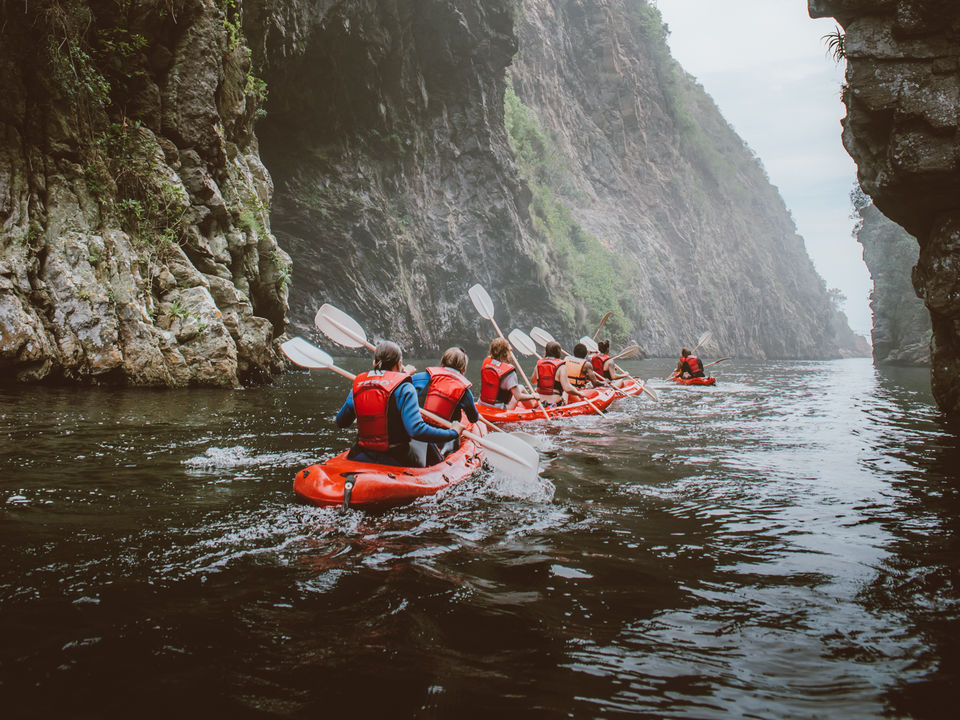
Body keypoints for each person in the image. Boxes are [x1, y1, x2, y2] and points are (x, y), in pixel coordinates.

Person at [336, 341, 462, 467]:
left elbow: (342, 422)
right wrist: (453, 433)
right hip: (396, 458)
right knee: (423, 440)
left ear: (374, 363)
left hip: (360, 455)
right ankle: (440, 466)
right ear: (399, 364)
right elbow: (416, 430)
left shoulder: (358, 386)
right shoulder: (405, 388)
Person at [411, 347, 479, 459]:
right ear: (463, 368)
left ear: (443, 361)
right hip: (444, 438)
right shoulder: (465, 391)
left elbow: (404, 387)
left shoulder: (421, 377)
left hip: (417, 431)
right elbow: (473, 419)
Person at [478, 337, 536, 410]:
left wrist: (504, 348)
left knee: (519, 387)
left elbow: (494, 357)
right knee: (520, 387)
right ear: (506, 353)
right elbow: (518, 397)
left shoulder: (486, 362)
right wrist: (533, 396)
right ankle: (533, 409)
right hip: (500, 408)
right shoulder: (509, 371)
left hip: (482, 403)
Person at [531, 341, 587, 405]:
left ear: (546, 351)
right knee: (566, 391)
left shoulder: (538, 365)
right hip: (555, 403)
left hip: (540, 403)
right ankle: (580, 403)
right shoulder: (561, 366)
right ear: (559, 352)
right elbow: (567, 388)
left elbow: (533, 381)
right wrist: (579, 393)